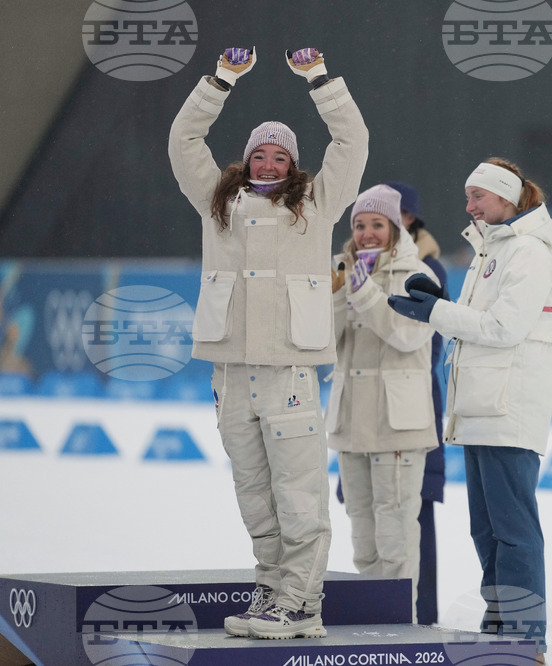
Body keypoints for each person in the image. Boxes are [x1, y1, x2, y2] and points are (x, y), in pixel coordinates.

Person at [168, 46, 368, 639]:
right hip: (230, 375)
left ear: (294, 165)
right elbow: (184, 140)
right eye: (261, 151)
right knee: (255, 495)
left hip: (288, 376)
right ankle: (271, 593)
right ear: (246, 158)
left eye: (282, 155)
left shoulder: (318, 203)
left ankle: (302, 604)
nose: (271, 161)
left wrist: (319, 80)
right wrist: (221, 80)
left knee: (299, 494)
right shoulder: (217, 203)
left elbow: (351, 141)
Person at [388, 158, 552, 664]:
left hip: (509, 409)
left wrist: (437, 313)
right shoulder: (492, 249)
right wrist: (441, 303)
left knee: (514, 532)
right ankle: (500, 628)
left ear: (505, 198)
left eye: (477, 197)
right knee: (487, 532)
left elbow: (504, 328)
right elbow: (480, 322)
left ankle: (525, 640)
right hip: (483, 408)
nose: (469, 207)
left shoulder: (528, 252)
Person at [325, 184, 438, 622]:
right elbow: (324, 346)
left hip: (398, 426)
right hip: (352, 424)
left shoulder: (419, 275)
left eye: (377, 224)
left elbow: (407, 335)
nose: (367, 233)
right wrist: (337, 295)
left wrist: (365, 293)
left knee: (396, 537)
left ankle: (399, 626)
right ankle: (370, 624)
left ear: (395, 227)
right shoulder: (342, 270)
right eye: (359, 225)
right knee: (364, 538)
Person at [385, 180, 449, 626]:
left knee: (415, 520)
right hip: (367, 414)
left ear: (409, 219)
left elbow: (430, 348)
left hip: (413, 408)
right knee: (370, 524)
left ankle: (421, 623)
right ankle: (373, 617)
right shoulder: (351, 265)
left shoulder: (429, 270)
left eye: (391, 216)